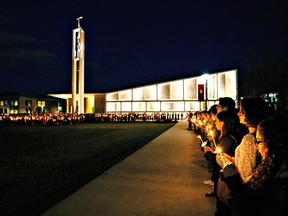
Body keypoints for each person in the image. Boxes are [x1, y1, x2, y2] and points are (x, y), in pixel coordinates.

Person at [235, 114, 288, 215]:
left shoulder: (279, 182)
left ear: (272, 143)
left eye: (259, 141)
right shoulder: (269, 166)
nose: (256, 146)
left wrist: (232, 178)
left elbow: (250, 206)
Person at [203, 110, 244, 215]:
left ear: (223, 122)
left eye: (217, 120)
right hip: (224, 176)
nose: (215, 122)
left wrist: (208, 153)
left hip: (226, 179)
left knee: (223, 208)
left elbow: (219, 160)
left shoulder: (228, 140)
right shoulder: (226, 137)